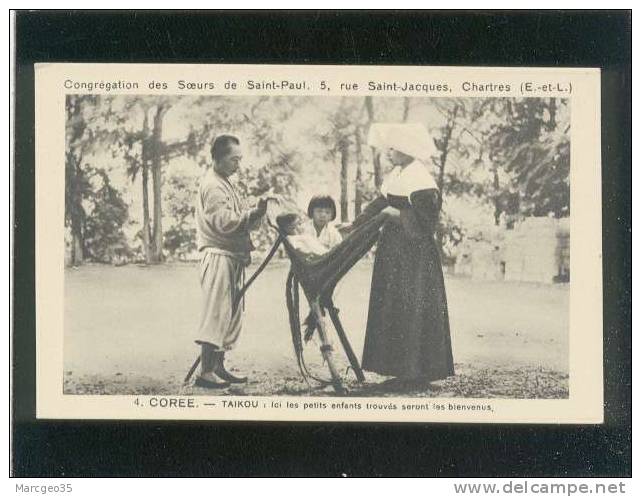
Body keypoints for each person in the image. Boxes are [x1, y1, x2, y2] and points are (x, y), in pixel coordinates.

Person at [352, 123, 454, 383]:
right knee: (392, 302)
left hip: (415, 255)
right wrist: (355, 224)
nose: (389, 152)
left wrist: (395, 214)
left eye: (394, 147)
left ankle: (416, 370)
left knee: (412, 303)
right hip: (393, 251)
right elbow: (380, 203)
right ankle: (396, 367)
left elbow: (426, 223)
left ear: (408, 150)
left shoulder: (421, 181)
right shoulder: (397, 175)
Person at [194, 134, 269, 388]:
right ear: (217, 158)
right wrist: (252, 214)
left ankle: (218, 367)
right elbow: (224, 221)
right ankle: (206, 371)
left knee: (229, 313)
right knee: (216, 312)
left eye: (240, 159)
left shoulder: (225, 182)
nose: (238, 164)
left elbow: (239, 219)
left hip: (230, 256)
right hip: (218, 256)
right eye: (233, 159)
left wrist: (256, 214)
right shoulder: (213, 185)